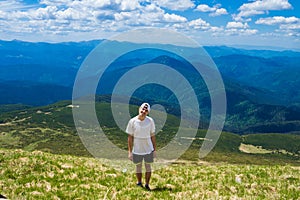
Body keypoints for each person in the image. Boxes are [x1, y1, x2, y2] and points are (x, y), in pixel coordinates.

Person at [126, 102, 156, 191]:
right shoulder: (132, 121)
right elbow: (130, 137)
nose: (143, 111)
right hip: (137, 149)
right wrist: (130, 152)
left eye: (146, 110)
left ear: (148, 112)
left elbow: (153, 136)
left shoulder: (150, 121)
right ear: (139, 109)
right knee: (138, 167)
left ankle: (147, 184)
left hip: (148, 148)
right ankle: (139, 182)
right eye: (142, 109)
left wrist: (154, 149)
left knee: (148, 167)